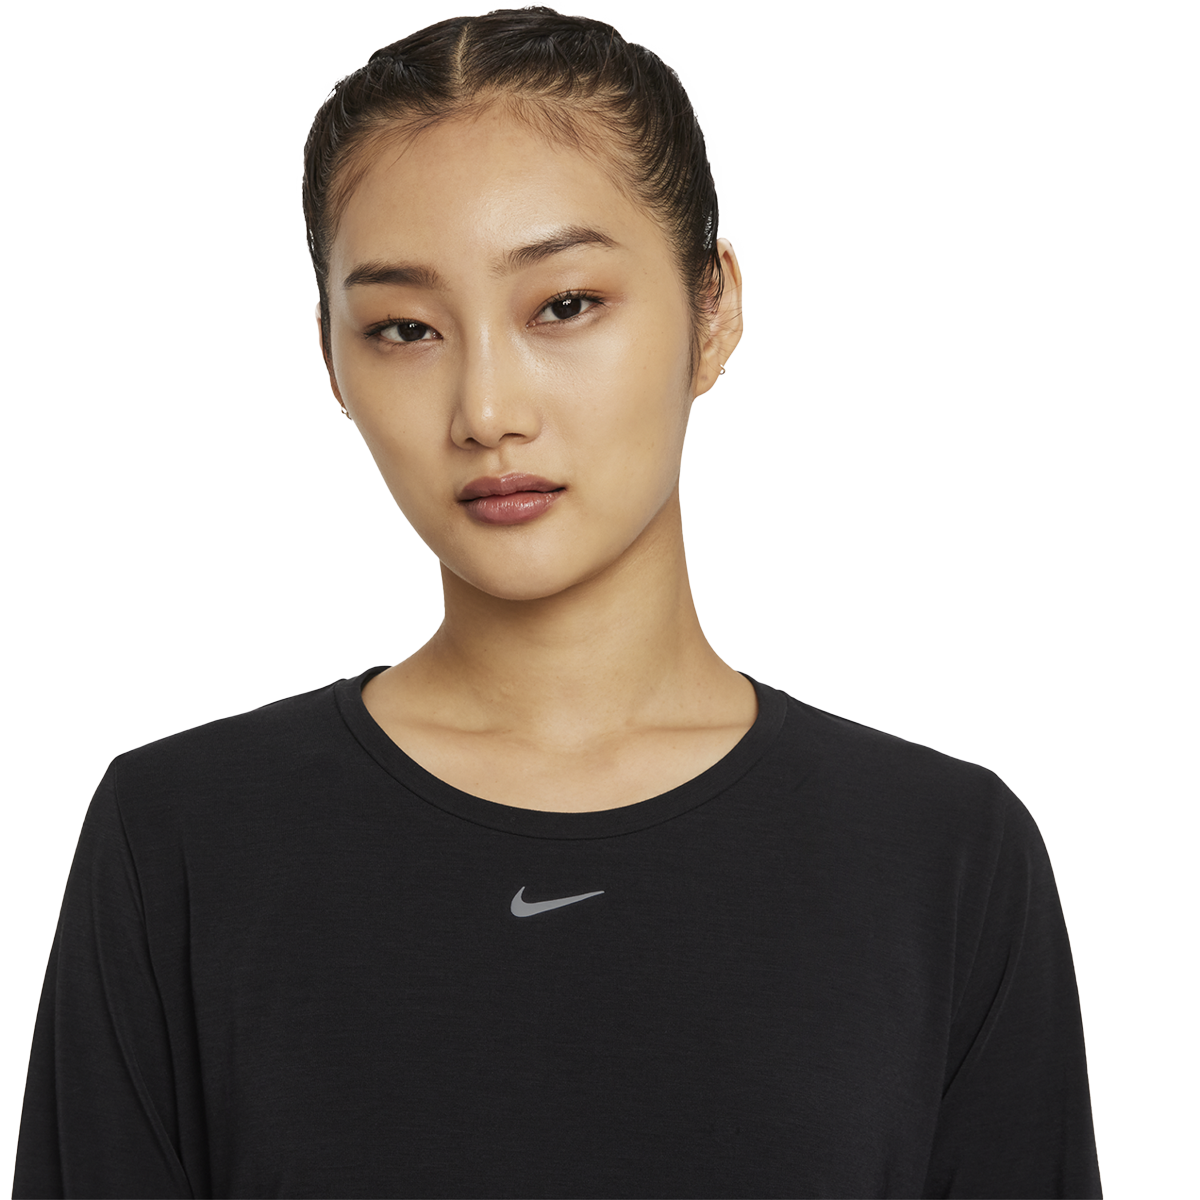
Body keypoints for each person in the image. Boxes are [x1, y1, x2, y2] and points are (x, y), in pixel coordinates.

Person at [12, 7, 1104, 1197]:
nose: (488, 409)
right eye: (406, 329)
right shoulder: (182, 840)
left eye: (565, 305)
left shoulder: (942, 855)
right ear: (332, 361)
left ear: (713, 310)